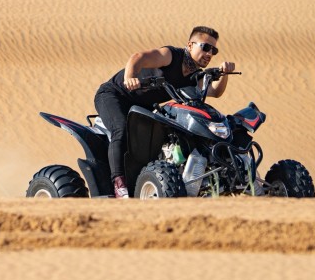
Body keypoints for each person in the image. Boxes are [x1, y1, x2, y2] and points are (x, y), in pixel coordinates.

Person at [94, 26, 236, 198]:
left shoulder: (193, 76)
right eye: (205, 47)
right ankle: (118, 183)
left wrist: (225, 74)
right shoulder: (170, 56)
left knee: (156, 141)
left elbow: (214, 92)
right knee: (121, 129)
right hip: (114, 95)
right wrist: (129, 78)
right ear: (190, 45)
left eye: (214, 50)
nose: (209, 53)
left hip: (142, 107)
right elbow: (138, 58)